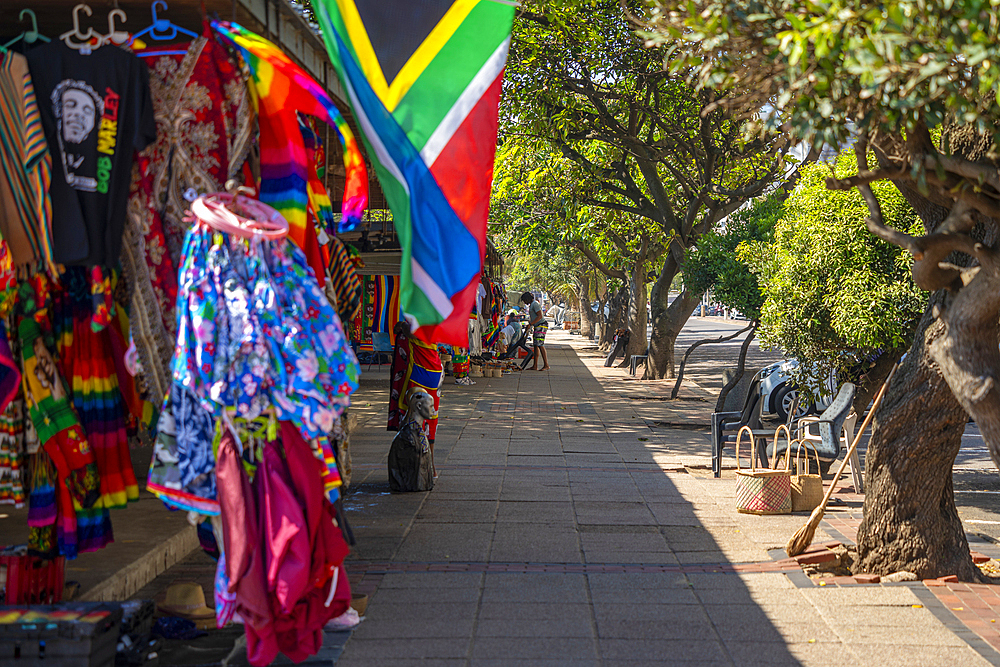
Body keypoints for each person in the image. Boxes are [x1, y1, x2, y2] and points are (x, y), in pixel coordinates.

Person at [387, 321, 444, 471]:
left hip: (421, 371)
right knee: (429, 418)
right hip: (431, 370)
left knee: (415, 416)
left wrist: (403, 326)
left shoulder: (423, 321)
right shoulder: (436, 315)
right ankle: (426, 466)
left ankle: (426, 466)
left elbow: (412, 332)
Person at [521, 292, 549, 371]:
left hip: (541, 325)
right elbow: (534, 317)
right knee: (536, 345)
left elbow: (539, 316)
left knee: (540, 344)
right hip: (537, 326)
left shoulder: (535, 304)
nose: (524, 302)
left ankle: (546, 365)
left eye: (524, 300)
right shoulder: (532, 305)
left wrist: (531, 323)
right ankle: (535, 365)